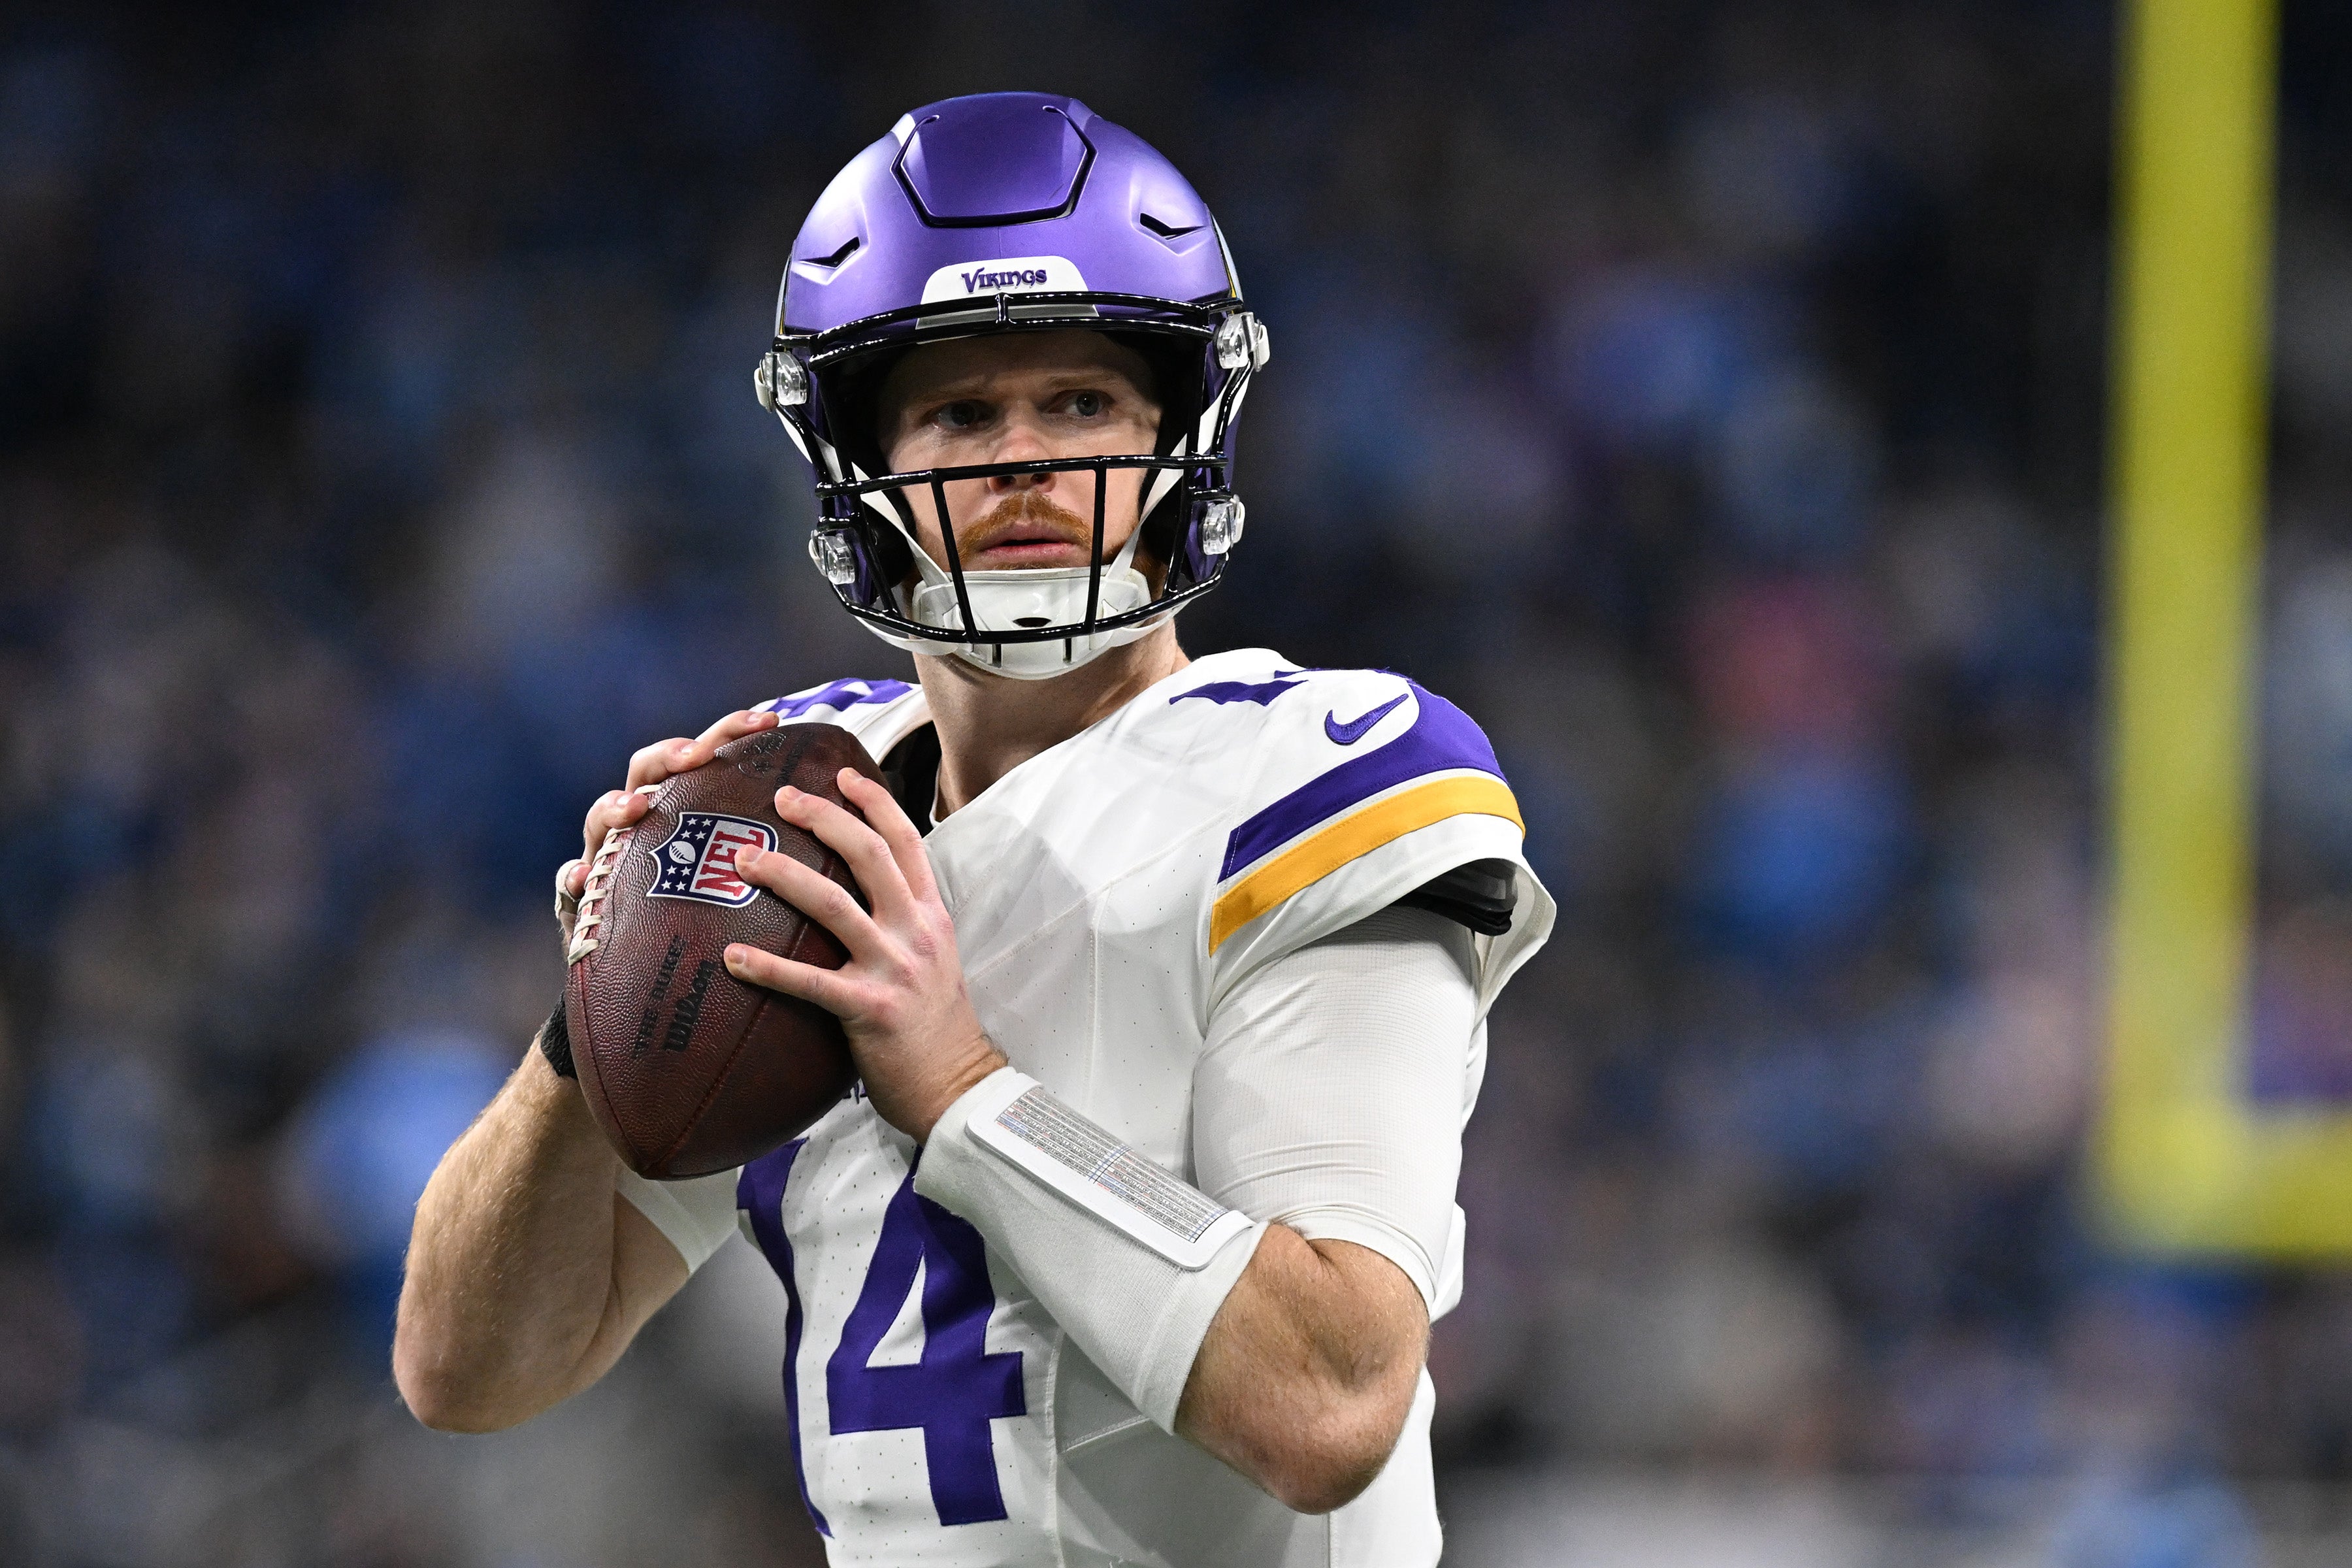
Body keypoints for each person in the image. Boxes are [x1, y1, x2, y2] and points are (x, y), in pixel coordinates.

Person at [393, 91, 1553, 1567]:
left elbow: (1334, 1400)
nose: (1023, 461)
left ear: (1175, 436)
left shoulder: (1309, 780)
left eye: (1079, 402)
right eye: (959, 413)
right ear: (855, 466)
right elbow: (467, 1372)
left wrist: (960, 1092)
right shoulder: (803, 808)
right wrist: (594, 1022)